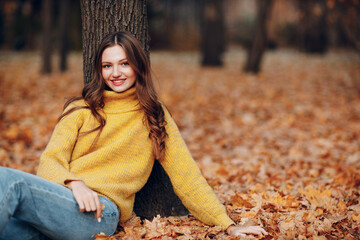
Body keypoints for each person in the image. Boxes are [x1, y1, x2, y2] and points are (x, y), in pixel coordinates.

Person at [0, 31, 267, 240]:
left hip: (100, 214)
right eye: (107, 66)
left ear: (138, 66)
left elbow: (186, 176)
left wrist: (227, 225)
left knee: (9, 180)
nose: (115, 73)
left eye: (124, 64)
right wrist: (74, 183)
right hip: (61, 204)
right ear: (99, 70)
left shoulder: (153, 115)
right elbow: (49, 162)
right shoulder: (81, 109)